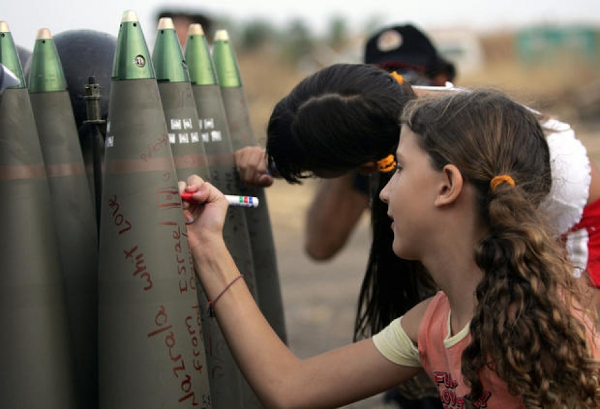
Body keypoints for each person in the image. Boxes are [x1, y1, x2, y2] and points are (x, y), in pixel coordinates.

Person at [183, 89, 600, 408]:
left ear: (447, 186)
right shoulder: (433, 324)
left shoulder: (544, 332)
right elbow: (290, 387)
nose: (384, 193)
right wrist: (207, 244)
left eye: (399, 168)